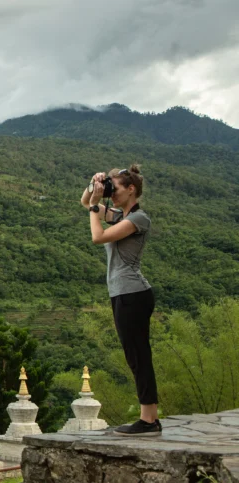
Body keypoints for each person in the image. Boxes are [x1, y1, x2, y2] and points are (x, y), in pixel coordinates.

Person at [81, 164, 160, 436]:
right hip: (122, 294)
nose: (111, 193)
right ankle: (148, 417)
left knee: (139, 356)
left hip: (133, 294)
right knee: (134, 356)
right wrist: (95, 185)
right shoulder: (119, 215)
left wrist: (94, 207)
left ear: (131, 189)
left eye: (115, 188)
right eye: (110, 189)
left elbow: (97, 236)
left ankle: (149, 419)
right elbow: (84, 202)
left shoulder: (138, 219)